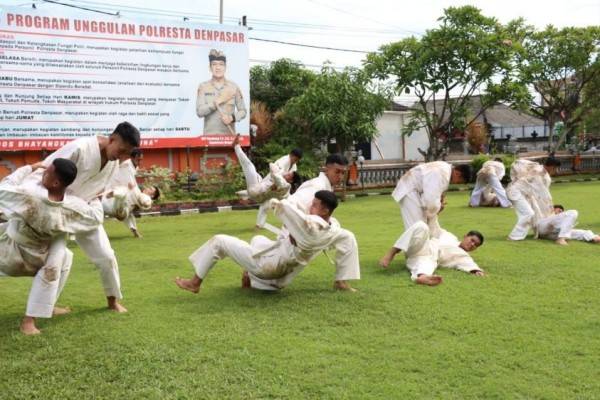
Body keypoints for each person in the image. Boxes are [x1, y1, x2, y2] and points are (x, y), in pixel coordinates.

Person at [21, 121, 140, 313]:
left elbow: (98, 190)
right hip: (56, 210)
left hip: (83, 212)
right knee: (56, 260)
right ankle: (41, 311)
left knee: (107, 256)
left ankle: (112, 301)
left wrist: (98, 207)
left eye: (128, 153)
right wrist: (32, 200)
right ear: (112, 139)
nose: (124, 157)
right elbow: (46, 170)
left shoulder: (113, 162)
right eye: (122, 150)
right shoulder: (80, 148)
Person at [175, 191, 357, 293]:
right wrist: (341, 279)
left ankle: (194, 283)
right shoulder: (334, 229)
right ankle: (249, 276)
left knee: (219, 241)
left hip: (268, 267)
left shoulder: (312, 226)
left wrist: (281, 205)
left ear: (325, 210)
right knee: (258, 239)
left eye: (315, 204)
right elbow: (348, 239)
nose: (311, 206)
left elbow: (303, 219)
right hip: (281, 275)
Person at [0, 159, 103, 335]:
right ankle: (37, 314)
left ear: (55, 182)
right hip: (36, 259)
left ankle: (34, 316)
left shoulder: (30, 194)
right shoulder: (73, 206)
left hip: (9, 254)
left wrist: (29, 168)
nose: (43, 173)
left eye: (47, 172)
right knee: (64, 256)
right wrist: (94, 198)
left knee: (62, 257)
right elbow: (96, 217)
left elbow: (4, 188)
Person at [378, 221, 485, 286]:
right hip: (422, 246)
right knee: (421, 225)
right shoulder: (450, 236)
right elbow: (435, 226)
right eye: (472, 240)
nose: (472, 244)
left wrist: (476, 271)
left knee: (428, 262)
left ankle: (423, 277)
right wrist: (437, 210)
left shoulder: (464, 256)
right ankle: (392, 252)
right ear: (465, 236)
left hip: (429, 258)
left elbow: (470, 265)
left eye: (475, 245)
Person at [391, 161, 452, 238]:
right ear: (458, 174)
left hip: (417, 192)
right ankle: (416, 248)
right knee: (417, 228)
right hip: (410, 190)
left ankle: (431, 246)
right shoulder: (442, 173)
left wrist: (438, 203)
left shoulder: (444, 168)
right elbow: (431, 200)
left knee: (426, 228)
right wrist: (438, 207)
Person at [196, 49, 247, 135]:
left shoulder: (234, 87)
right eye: (214, 64)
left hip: (229, 139)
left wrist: (232, 118)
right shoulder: (203, 87)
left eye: (221, 64)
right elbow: (199, 112)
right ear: (210, 67)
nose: (218, 67)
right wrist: (218, 101)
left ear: (225, 67)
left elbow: (243, 111)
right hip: (209, 139)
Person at [506, 159, 553, 240]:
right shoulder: (538, 171)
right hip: (516, 192)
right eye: (554, 168)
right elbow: (543, 193)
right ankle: (514, 236)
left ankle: (519, 235)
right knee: (528, 213)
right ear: (552, 167)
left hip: (523, 193)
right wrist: (550, 207)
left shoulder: (539, 170)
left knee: (532, 212)